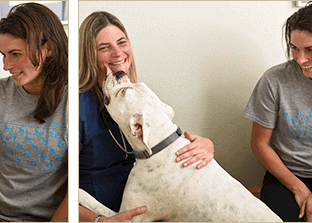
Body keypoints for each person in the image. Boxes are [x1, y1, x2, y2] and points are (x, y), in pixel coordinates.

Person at [78, 11, 215, 222]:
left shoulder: (137, 94)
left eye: (121, 42)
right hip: (104, 214)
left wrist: (205, 145)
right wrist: (98, 220)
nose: (117, 53)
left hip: (152, 206)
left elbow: (165, 144)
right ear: (89, 55)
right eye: (104, 48)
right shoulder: (77, 108)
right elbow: (60, 192)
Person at [243, 1, 312, 222]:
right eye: (294, 48)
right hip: (285, 177)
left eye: (311, 50)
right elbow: (260, 144)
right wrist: (297, 188)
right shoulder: (273, 80)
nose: (299, 59)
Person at [0, 3, 68, 222]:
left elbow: (79, 184)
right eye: (3, 54)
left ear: (47, 49)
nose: (6, 65)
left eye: (15, 54)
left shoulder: (76, 102)